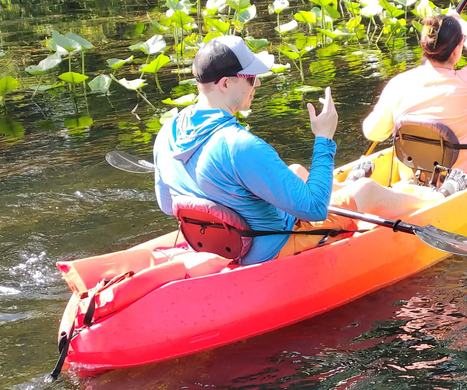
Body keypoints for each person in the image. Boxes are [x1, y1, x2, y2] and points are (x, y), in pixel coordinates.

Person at [154, 36, 444, 265]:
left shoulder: (167, 132)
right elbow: (315, 210)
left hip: (227, 243)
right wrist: (324, 138)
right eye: (251, 78)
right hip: (270, 246)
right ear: (225, 83)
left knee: (296, 171)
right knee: (367, 190)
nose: (256, 85)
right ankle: (438, 203)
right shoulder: (239, 144)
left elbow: (168, 206)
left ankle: (350, 186)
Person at [362, 12, 467, 184]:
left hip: (413, 175)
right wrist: (461, 23)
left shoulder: (398, 84)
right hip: (464, 174)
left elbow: (373, 132)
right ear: (456, 50)